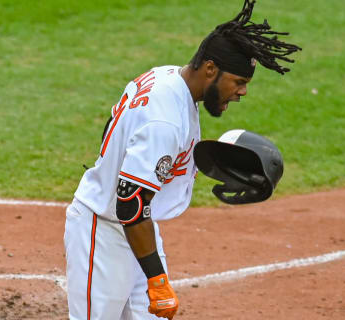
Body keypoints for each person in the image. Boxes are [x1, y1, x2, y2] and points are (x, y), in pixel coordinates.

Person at [63, 1, 301, 319]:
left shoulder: (167, 78)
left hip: (137, 232)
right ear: (211, 69)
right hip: (105, 235)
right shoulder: (165, 121)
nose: (242, 92)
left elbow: (117, 128)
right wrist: (158, 281)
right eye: (239, 82)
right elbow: (130, 203)